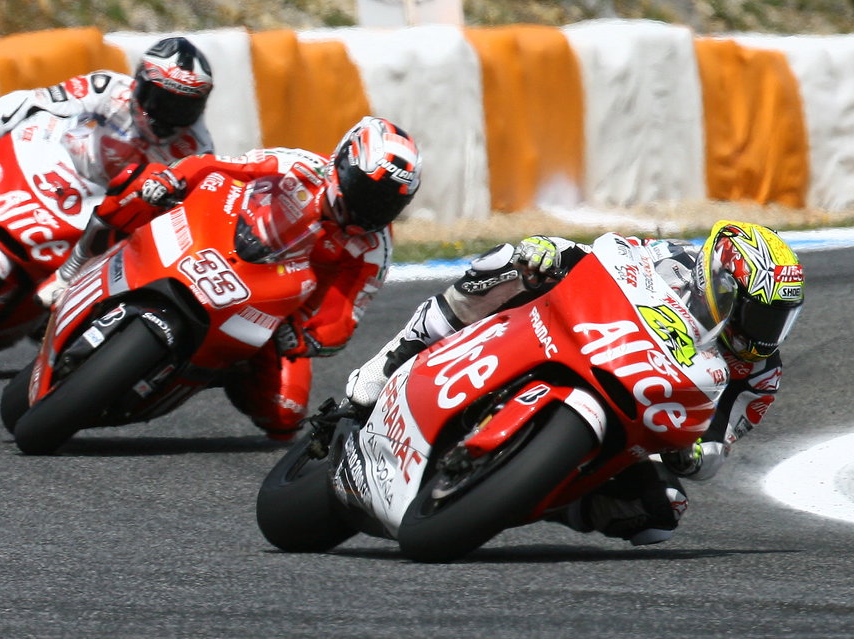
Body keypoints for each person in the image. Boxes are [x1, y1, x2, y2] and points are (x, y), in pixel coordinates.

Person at [341, 220, 806, 544]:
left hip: (639, 413)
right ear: (720, 286)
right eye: (759, 315)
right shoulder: (672, 263)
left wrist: (696, 455)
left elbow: (719, 441)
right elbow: (605, 254)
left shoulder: (761, 375)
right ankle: (393, 359)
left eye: (778, 321)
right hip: (589, 336)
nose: (766, 334)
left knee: (661, 513)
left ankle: (531, 495)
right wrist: (554, 250)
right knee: (507, 262)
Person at [42, 115, 423, 440]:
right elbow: (219, 166)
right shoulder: (298, 166)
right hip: (224, 241)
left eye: (386, 202)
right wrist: (176, 179)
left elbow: (344, 312)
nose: (370, 208)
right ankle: (72, 270)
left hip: (275, 306)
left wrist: (307, 336)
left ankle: (216, 369)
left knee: (285, 415)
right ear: (341, 163)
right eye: (365, 191)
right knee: (136, 185)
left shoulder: (375, 247)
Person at [0, 36, 218, 262]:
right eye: (161, 100)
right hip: (55, 159)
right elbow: (34, 98)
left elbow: (190, 208)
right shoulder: (109, 87)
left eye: (181, 108)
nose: (167, 115)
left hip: (105, 208)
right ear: (140, 83)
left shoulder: (198, 147)